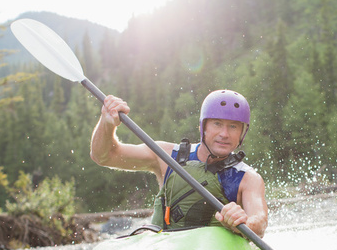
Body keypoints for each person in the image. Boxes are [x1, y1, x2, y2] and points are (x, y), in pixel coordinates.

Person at [90, 89, 268, 237]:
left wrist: (241, 222)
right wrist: (107, 124)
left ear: (242, 134)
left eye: (233, 126)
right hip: (165, 248)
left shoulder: (248, 178)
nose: (224, 134)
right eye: (217, 123)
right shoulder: (165, 155)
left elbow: (259, 222)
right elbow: (104, 156)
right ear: (202, 127)